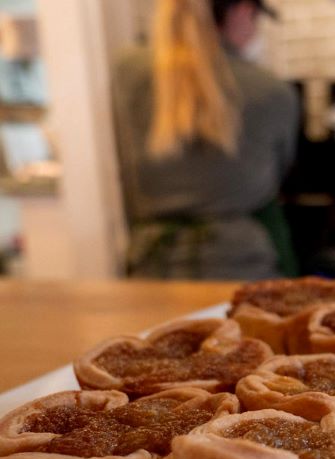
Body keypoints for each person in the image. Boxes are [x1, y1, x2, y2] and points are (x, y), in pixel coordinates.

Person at [113, 0, 299, 279]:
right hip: (242, 267)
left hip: (152, 267)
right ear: (242, 10)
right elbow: (276, 176)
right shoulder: (271, 90)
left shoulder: (126, 72)